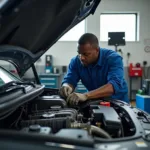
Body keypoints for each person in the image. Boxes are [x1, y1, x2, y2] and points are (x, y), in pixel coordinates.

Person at [59, 33, 129, 106]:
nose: (81, 58)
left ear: (97, 50)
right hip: (95, 101)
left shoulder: (113, 58)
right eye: (79, 53)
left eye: (86, 54)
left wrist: (85, 95)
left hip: (118, 103)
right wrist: (67, 86)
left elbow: (113, 86)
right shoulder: (76, 61)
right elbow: (70, 80)